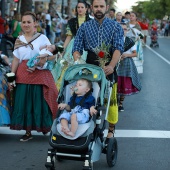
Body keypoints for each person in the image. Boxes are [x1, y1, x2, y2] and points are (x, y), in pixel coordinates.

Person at [72, 0, 124, 138]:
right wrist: (78, 61)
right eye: (96, 6)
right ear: (91, 8)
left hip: (109, 67)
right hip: (89, 68)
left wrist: (111, 66)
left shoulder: (115, 27)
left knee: (111, 100)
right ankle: (87, 126)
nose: (99, 9)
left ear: (106, 8)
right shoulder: (84, 27)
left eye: (101, 6)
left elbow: (118, 49)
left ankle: (111, 130)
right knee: (88, 97)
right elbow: (76, 47)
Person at [9, 11, 58, 142]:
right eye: (23, 22)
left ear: (34, 23)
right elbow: (15, 59)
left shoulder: (42, 38)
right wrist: (11, 76)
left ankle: (44, 126)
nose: (26, 25)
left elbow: (52, 55)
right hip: (23, 74)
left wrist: (43, 60)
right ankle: (28, 131)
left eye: (28, 22)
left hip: (40, 73)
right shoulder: (19, 40)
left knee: (41, 101)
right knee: (25, 102)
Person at [51, 0, 91, 90]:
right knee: (66, 65)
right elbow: (69, 37)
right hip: (73, 45)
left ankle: (81, 90)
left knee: (82, 68)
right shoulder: (72, 21)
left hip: (86, 46)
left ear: (86, 9)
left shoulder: (91, 21)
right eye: (78, 7)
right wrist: (63, 49)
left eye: (82, 7)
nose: (80, 9)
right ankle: (62, 91)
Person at [117, 23, 142, 112]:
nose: (123, 31)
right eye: (121, 29)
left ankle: (120, 104)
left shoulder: (130, 41)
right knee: (116, 82)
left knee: (123, 83)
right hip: (116, 63)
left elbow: (135, 53)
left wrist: (127, 54)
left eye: (124, 29)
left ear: (127, 31)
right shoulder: (114, 39)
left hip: (126, 64)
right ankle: (115, 101)